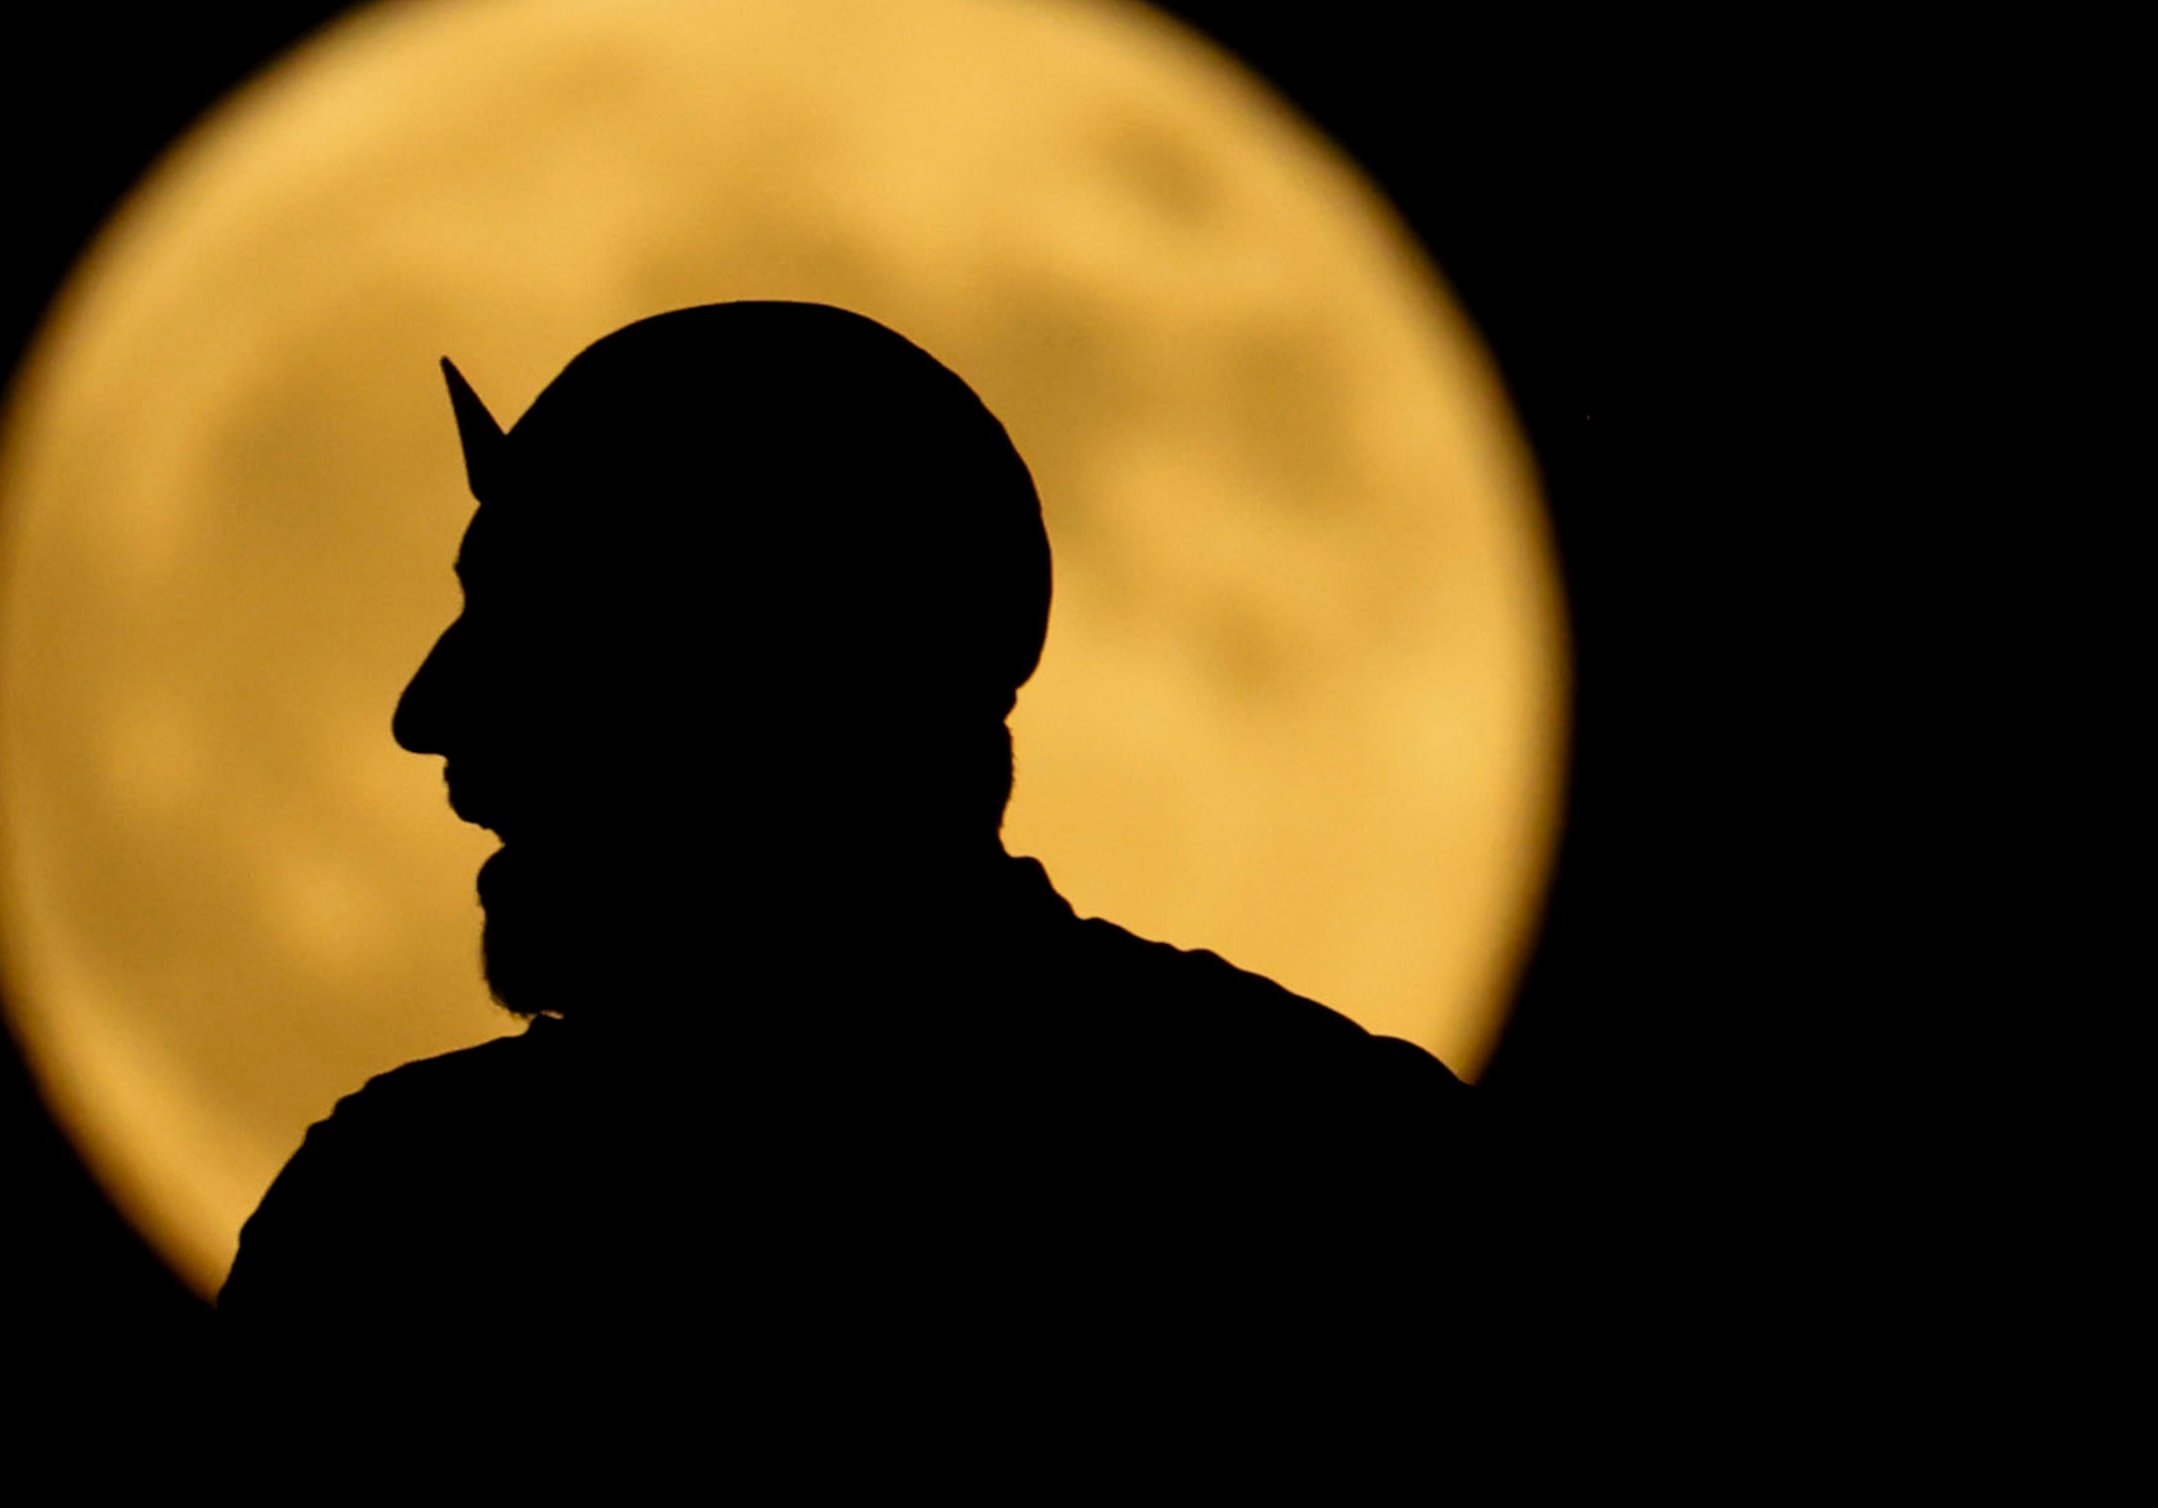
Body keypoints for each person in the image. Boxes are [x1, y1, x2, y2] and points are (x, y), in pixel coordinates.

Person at [220, 302, 1488, 1414]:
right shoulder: (1338, 1169)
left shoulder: (417, 1230)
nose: (427, 710)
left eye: (533, 624)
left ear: (768, 677)